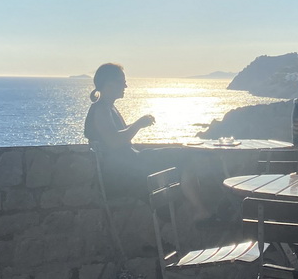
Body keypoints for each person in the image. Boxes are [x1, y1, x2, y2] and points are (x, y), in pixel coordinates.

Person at [84, 62, 211, 220]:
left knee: (181, 156)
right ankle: (199, 211)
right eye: (122, 82)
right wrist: (138, 124)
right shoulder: (101, 109)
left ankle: (189, 211)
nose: (126, 86)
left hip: (129, 164)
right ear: (109, 84)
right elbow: (114, 142)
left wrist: (138, 124)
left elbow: (114, 135)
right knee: (183, 156)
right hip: (123, 173)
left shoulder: (107, 108)